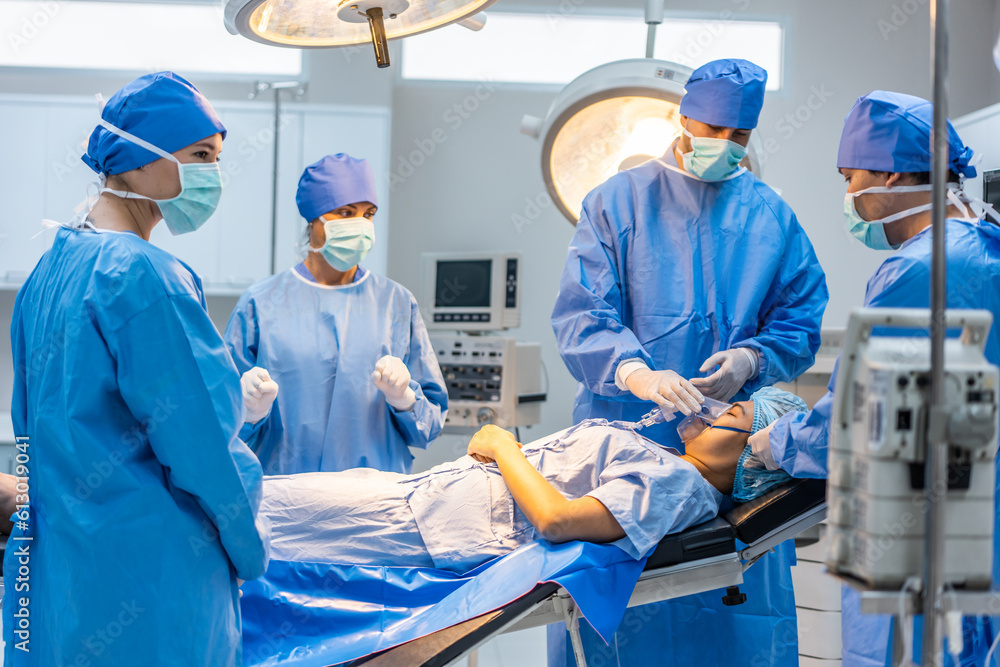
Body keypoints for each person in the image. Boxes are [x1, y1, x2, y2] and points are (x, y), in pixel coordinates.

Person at [549, 58, 829, 666]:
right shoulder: (617, 202)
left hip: (732, 467)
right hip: (622, 440)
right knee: (622, 614)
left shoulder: (770, 216)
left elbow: (800, 318)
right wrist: (635, 373)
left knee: (730, 620)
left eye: (740, 137)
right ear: (679, 117)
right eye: (711, 129)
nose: (724, 145)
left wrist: (751, 359)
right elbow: (581, 314)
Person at [5, 72, 270, 666]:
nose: (213, 175)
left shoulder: (49, 272)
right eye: (200, 155)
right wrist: (251, 552)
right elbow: (205, 449)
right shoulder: (146, 278)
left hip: (64, 576)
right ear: (136, 158)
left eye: (218, 159)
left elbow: (28, 437)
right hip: (151, 583)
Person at [749, 90, 1000, 666]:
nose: (848, 194)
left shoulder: (918, 268)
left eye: (850, 176)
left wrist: (777, 440)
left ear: (887, 175)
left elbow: (863, 421)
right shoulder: (983, 244)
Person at [257, 387, 804, 573]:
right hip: (426, 504)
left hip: (428, 527)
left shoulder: (679, 487)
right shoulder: (668, 464)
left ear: (753, 461)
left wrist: (501, 445)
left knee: (252, 513)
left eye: (730, 416)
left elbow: (559, 520)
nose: (711, 410)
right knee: (254, 506)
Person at [224, 154, 448, 475]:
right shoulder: (261, 303)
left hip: (373, 502)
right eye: (345, 212)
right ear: (314, 220)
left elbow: (429, 427)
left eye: (368, 214)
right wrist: (248, 412)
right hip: (287, 498)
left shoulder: (396, 303)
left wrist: (405, 400)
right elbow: (220, 426)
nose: (360, 224)